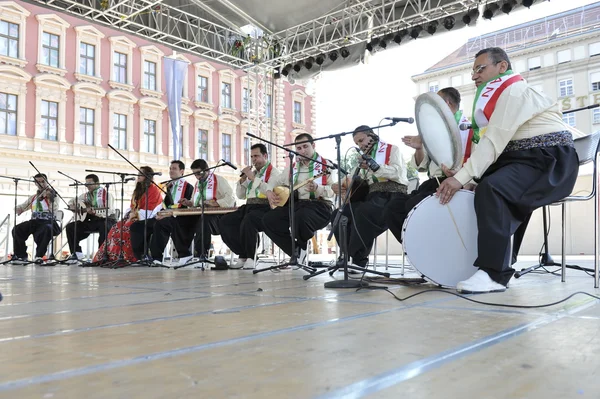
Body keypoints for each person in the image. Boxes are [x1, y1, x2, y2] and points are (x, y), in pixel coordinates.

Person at [436, 47, 582, 294]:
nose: (474, 76)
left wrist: (461, 178)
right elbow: (496, 146)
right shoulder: (505, 92)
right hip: (527, 159)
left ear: (502, 67)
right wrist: (470, 177)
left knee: (494, 189)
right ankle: (505, 265)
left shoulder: (513, 91)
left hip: (549, 162)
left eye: (480, 68)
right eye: (473, 70)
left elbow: (493, 141)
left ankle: (493, 274)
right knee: (490, 186)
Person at [384, 87, 474, 243]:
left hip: (458, 182)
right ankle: (416, 246)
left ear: (446, 104)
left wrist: (466, 181)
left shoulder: (469, 129)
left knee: (414, 205)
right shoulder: (435, 131)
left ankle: (427, 245)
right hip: (433, 182)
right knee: (393, 207)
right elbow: (422, 166)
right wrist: (419, 147)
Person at [331, 125, 408, 270]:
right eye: (357, 143)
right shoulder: (363, 160)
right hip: (372, 196)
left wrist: (374, 166)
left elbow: (397, 173)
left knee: (363, 212)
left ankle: (358, 261)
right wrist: (337, 185)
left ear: (371, 135)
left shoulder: (392, 149)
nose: (360, 145)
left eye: (361, 140)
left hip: (392, 195)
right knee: (339, 215)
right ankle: (347, 256)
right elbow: (352, 176)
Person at [262, 133, 335, 264]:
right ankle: (295, 251)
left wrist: (318, 188)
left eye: (305, 146)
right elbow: (274, 179)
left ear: (313, 145)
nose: (302, 151)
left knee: (300, 216)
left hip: (321, 206)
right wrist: (268, 191)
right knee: (268, 220)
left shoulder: (326, 165)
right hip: (298, 205)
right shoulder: (293, 167)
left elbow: (333, 192)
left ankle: (301, 249)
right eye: (299, 148)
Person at [219, 143, 280, 269]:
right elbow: (240, 195)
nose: (254, 159)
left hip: (265, 207)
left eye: (256, 156)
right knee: (225, 221)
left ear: (265, 156)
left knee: (249, 220)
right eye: (252, 156)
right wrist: (242, 181)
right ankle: (243, 254)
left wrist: (253, 179)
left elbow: (269, 191)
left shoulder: (274, 173)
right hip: (249, 205)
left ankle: (252, 256)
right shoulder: (253, 174)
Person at [93, 166, 163, 263]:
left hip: (146, 218)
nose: (138, 176)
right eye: (138, 174)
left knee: (126, 229)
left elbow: (150, 210)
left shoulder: (153, 190)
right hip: (134, 216)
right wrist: (129, 214)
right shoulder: (137, 190)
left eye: (140, 174)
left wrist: (134, 215)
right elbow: (132, 206)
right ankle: (112, 256)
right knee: (115, 228)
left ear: (147, 176)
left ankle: (130, 257)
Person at [174, 159, 235, 264]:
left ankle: (201, 254)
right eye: (195, 174)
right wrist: (188, 203)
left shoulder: (219, 180)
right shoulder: (198, 184)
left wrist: (215, 203)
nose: (197, 177)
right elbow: (195, 202)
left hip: (218, 216)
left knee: (204, 219)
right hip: (201, 214)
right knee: (179, 220)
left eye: (199, 173)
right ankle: (184, 253)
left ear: (206, 170)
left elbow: (231, 198)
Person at [133, 160, 194, 263]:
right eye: (170, 169)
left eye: (174, 169)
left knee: (161, 224)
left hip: (180, 217)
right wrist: (160, 213)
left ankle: (157, 257)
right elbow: (165, 205)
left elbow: (187, 206)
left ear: (182, 171)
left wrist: (167, 214)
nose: (171, 171)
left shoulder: (188, 187)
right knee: (137, 226)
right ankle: (142, 257)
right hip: (166, 216)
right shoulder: (170, 187)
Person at [64, 174, 116, 263]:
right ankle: (76, 253)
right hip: (93, 221)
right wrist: (72, 206)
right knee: (70, 227)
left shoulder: (106, 195)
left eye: (90, 183)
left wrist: (95, 212)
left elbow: (109, 211)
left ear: (97, 183)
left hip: (106, 220)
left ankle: (102, 255)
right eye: (86, 183)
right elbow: (71, 201)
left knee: (103, 225)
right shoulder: (85, 196)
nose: (87, 186)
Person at [11, 173, 61, 264]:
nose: (41, 184)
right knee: (17, 229)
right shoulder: (34, 197)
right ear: (35, 183)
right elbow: (23, 206)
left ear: (47, 182)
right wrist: (18, 209)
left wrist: (50, 199)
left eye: (43, 182)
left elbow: (54, 209)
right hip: (34, 221)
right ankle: (21, 256)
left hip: (47, 221)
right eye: (38, 182)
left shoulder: (53, 194)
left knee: (46, 229)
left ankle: (39, 256)